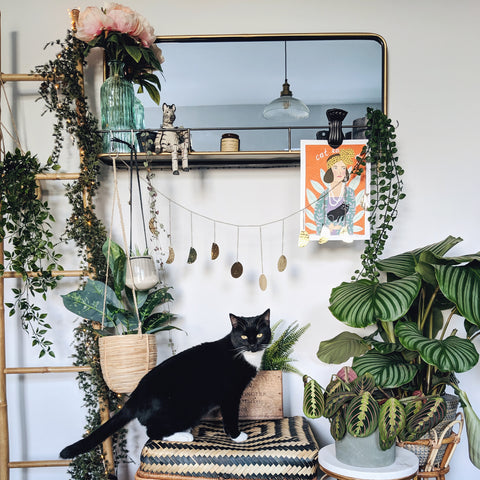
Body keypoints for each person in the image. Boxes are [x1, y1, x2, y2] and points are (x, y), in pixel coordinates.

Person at [314, 149, 356, 243]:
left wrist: (340, 226)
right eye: (335, 168)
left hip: (345, 233)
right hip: (326, 233)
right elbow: (317, 214)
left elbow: (351, 213)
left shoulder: (349, 193)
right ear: (330, 171)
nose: (340, 172)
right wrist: (329, 226)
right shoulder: (324, 195)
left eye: (343, 168)